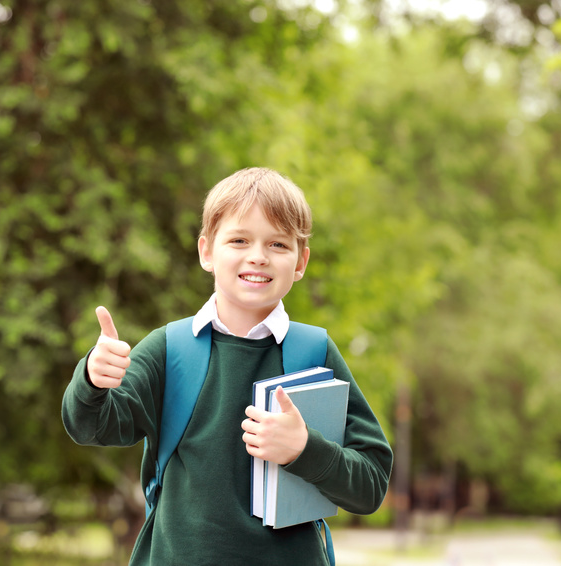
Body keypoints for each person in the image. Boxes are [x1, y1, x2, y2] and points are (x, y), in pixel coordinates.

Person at [62, 167, 393, 565]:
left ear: (301, 261)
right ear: (207, 251)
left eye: (278, 244)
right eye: (239, 240)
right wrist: (93, 379)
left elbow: (371, 484)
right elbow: (89, 426)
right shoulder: (170, 349)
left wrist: (305, 449)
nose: (258, 256)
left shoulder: (315, 351)